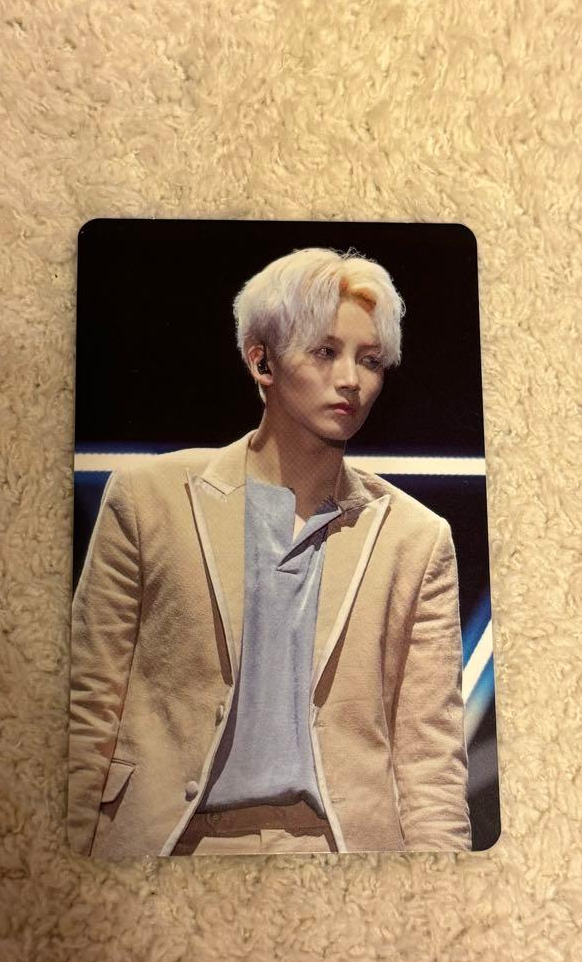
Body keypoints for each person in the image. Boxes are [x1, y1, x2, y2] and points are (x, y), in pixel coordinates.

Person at [68, 247, 471, 857]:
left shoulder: (415, 537)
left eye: (369, 360)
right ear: (262, 361)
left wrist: (444, 893)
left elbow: (430, 756)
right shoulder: (151, 499)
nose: (351, 380)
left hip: (340, 851)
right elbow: (88, 707)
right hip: (167, 843)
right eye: (325, 352)